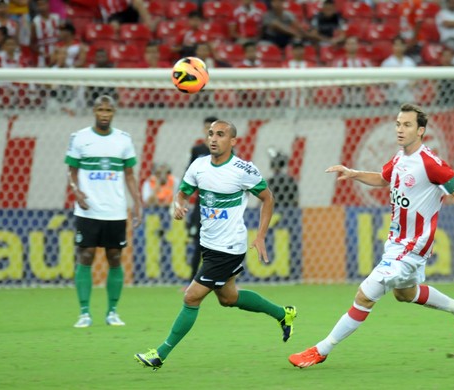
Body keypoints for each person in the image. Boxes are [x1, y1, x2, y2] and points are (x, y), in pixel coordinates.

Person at [288, 103, 454, 369]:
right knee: (404, 294)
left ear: (421, 131)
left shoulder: (431, 163)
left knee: (364, 295)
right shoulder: (400, 157)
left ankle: (320, 350)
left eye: (407, 125)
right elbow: (384, 178)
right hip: (396, 244)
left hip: (412, 247)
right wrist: (353, 174)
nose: (400, 129)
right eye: (398, 124)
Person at [134, 119, 297, 371]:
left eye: (220, 134)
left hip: (229, 248)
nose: (213, 138)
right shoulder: (198, 166)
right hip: (209, 244)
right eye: (211, 134)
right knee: (228, 297)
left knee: (191, 297)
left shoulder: (243, 169)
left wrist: (261, 235)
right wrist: (178, 204)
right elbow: (183, 191)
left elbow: (268, 198)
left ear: (232, 141)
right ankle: (283, 314)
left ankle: (160, 353)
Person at [65, 94, 143, 328]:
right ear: (94, 112)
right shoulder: (79, 138)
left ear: (114, 113)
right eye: (101, 110)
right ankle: (84, 313)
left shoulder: (123, 140)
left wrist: (137, 201)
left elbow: (129, 174)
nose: (104, 114)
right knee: (86, 256)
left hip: (116, 210)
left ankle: (112, 312)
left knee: (115, 257)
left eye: (108, 111)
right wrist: (76, 192)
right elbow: (72, 171)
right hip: (88, 210)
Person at [185, 116, 218, 283]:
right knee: (199, 240)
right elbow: (189, 175)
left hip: (221, 203)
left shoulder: (225, 151)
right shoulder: (197, 150)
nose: (209, 132)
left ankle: (226, 279)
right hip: (202, 201)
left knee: (222, 240)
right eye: (207, 129)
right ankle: (193, 280)